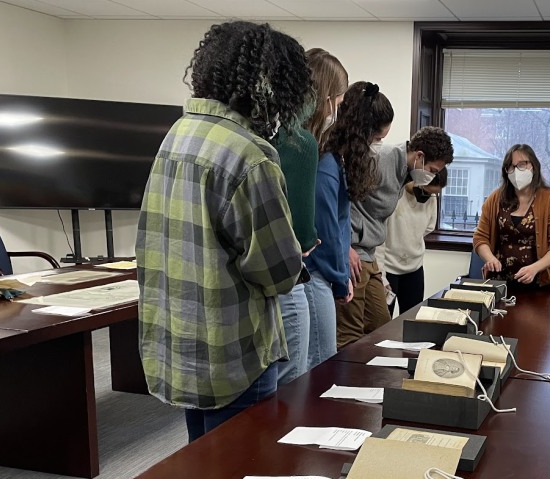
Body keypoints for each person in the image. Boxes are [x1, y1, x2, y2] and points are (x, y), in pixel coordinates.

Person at [137, 22, 311, 442]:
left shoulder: (179, 133)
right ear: (269, 88)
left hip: (182, 342)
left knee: (202, 465)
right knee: (240, 475)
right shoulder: (250, 156)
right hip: (233, 353)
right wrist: (294, 255)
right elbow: (278, 272)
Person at [272, 48, 347, 385]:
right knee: (301, 377)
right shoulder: (301, 144)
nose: (337, 111)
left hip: (288, 270)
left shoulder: (283, 136)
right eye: (337, 102)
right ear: (325, 98)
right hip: (296, 272)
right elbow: (307, 235)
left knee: (298, 372)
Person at [305, 81, 394, 362]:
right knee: (328, 354)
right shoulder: (328, 166)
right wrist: (341, 278)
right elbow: (328, 230)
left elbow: (342, 223)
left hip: (336, 270)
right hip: (319, 274)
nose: (375, 147)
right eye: (376, 139)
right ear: (363, 132)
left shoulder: (341, 163)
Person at [334, 87, 401, 349]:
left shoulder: (361, 158)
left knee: (382, 327)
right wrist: (345, 246)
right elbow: (332, 211)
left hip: (366, 256)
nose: (378, 143)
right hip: (347, 253)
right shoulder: (333, 157)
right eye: (375, 136)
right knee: (350, 335)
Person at [374, 126, 455, 316]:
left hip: (414, 268)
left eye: (432, 196)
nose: (426, 198)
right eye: (425, 192)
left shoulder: (431, 197)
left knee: (412, 319)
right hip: (389, 268)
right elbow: (378, 236)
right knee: (382, 321)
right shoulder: (394, 191)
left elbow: (428, 227)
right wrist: (382, 274)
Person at [473, 144, 550, 288]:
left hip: (539, 283)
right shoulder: (495, 199)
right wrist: (490, 258)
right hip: (499, 282)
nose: (516, 171)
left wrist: (535, 268)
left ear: (533, 166)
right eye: (511, 167)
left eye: (522, 164)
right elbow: (480, 238)